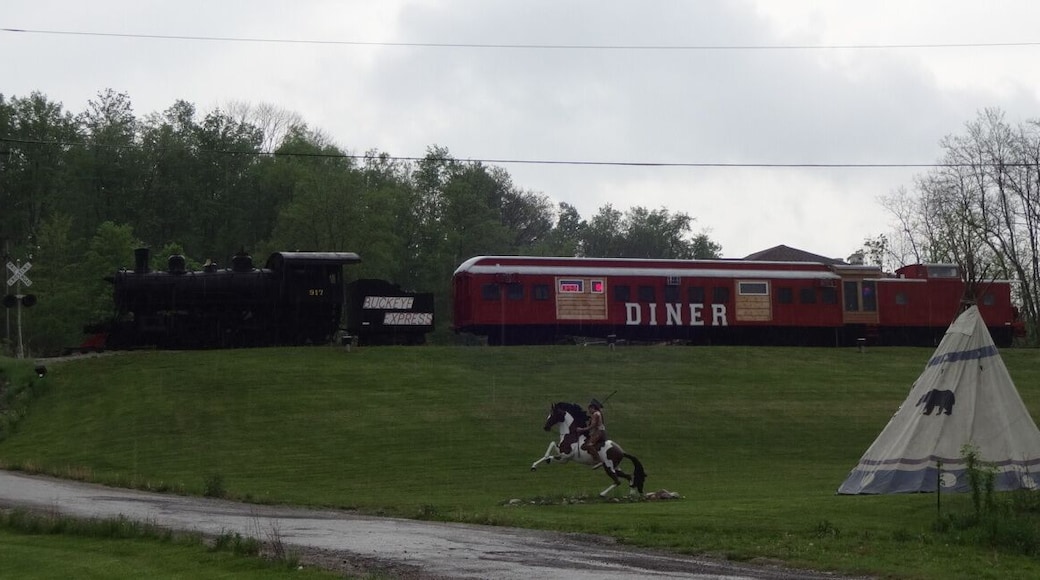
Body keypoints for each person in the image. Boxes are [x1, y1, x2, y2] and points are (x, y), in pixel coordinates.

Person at [577, 398, 607, 465]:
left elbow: (592, 426)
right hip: (600, 432)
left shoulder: (595, 414)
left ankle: (598, 460)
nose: (589, 410)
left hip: (599, 433)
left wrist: (582, 429)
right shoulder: (598, 413)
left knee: (589, 445)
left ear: (593, 408)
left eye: (589, 409)